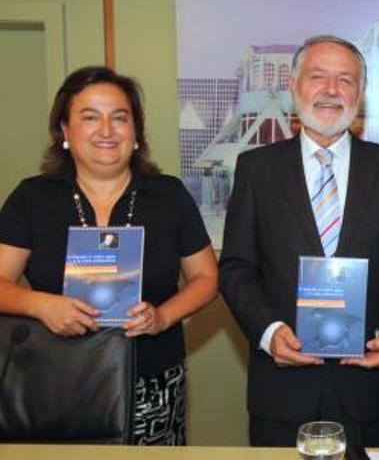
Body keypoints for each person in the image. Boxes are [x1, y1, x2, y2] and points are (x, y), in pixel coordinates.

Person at [0, 66, 218, 444]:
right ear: (65, 131)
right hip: (55, 381)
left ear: (135, 133)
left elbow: (207, 278)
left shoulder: (168, 196)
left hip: (152, 381)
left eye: (120, 118)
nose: (106, 130)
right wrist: (40, 305)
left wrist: (163, 316)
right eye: (89, 117)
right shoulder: (32, 198)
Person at [219, 35, 379, 448]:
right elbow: (236, 268)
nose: (330, 91)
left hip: (369, 388)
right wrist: (268, 333)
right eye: (318, 77)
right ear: (294, 86)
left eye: (346, 80)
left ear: (360, 94)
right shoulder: (256, 169)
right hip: (281, 389)